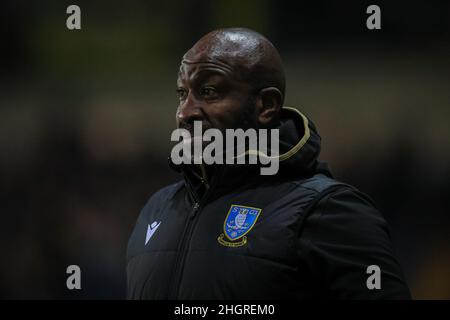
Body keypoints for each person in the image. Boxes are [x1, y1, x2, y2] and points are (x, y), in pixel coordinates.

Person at [126, 28, 411, 299]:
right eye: (182, 94)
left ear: (266, 106)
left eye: (209, 91)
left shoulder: (328, 211)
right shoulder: (158, 208)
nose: (185, 112)